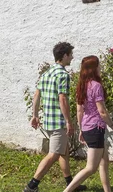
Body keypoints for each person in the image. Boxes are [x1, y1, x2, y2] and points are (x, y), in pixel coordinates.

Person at [24, 42, 86, 192]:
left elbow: (37, 95)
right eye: (70, 54)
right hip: (58, 122)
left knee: (64, 152)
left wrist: (34, 115)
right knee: (54, 154)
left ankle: (71, 184)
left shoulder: (46, 73)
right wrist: (68, 121)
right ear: (64, 56)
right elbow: (62, 98)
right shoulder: (63, 75)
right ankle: (32, 186)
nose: (72, 57)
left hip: (48, 121)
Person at [63, 55, 113, 192]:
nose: (100, 68)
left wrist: (82, 129)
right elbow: (102, 111)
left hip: (89, 128)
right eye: (98, 65)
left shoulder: (82, 86)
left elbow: (79, 111)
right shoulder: (96, 86)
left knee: (104, 161)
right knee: (91, 168)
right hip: (96, 128)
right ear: (94, 69)